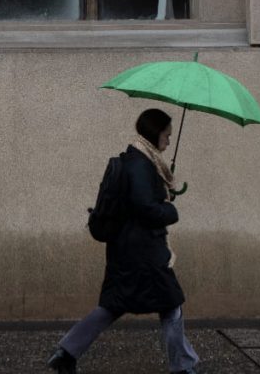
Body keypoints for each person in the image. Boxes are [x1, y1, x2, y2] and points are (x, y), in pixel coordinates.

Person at [47, 108, 199, 374]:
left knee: (114, 304)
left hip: (127, 249)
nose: (169, 140)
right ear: (156, 133)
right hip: (144, 253)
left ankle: (67, 352)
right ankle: (184, 367)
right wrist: (170, 210)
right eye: (167, 134)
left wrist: (161, 194)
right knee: (171, 304)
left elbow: (138, 201)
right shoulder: (141, 164)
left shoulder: (137, 159)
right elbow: (144, 207)